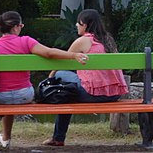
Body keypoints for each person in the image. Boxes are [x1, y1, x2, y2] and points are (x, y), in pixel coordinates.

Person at [0, 10, 76, 149]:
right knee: (13, 98)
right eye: (21, 26)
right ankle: (5, 138)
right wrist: (73, 55)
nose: (21, 28)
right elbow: (48, 53)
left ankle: (3, 140)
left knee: (7, 101)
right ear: (15, 27)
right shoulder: (26, 41)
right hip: (24, 95)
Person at [43, 9, 129, 146]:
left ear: (85, 24)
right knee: (68, 92)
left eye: (79, 23)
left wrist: (50, 77)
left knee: (61, 76)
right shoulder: (108, 39)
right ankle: (58, 138)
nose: (77, 25)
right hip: (113, 94)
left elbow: (63, 61)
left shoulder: (82, 41)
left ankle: (58, 138)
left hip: (92, 94)